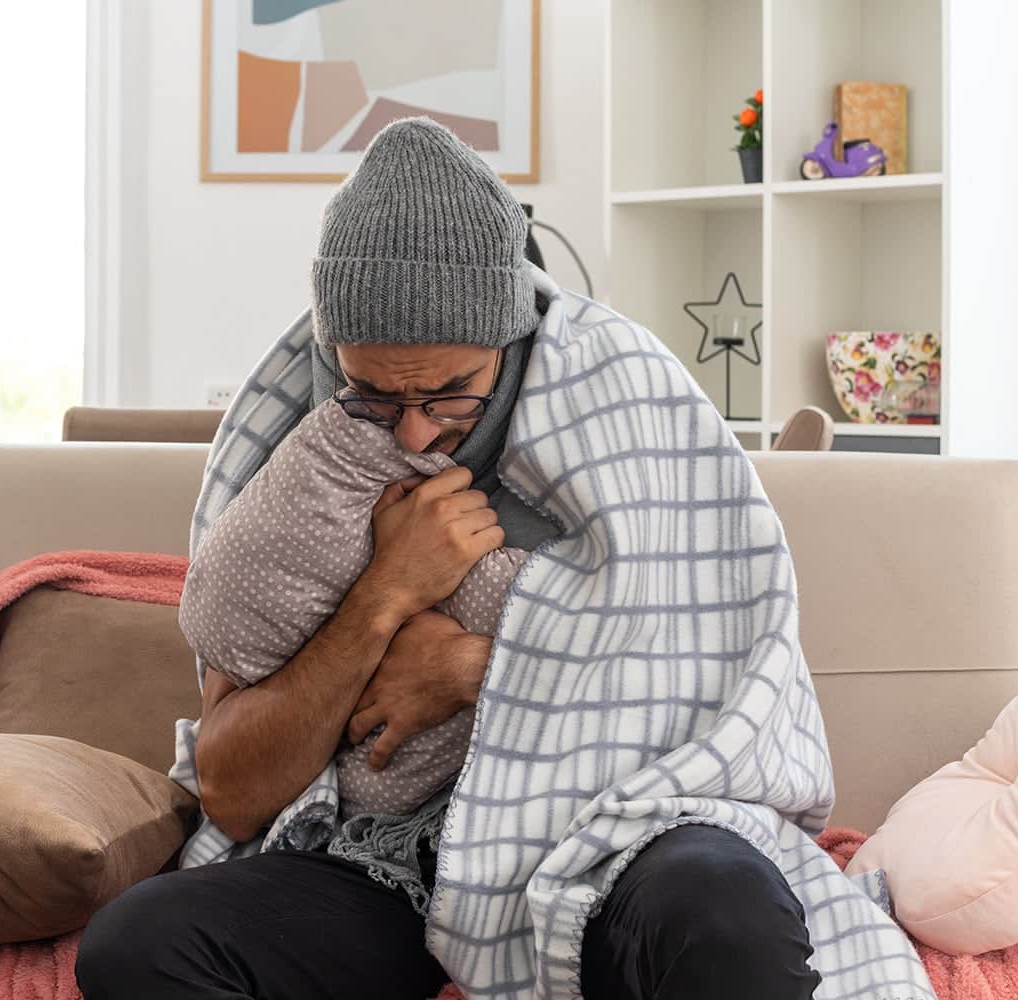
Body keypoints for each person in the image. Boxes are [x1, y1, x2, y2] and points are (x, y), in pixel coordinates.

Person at [75, 118, 825, 1000]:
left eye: (450, 394)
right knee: (139, 943)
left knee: (724, 903)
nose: (416, 432)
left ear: (510, 349)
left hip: (608, 843)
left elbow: (712, 688)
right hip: (381, 861)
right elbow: (235, 794)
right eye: (374, 395)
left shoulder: (628, 408)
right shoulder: (301, 460)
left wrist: (477, 668)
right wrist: (385, 595)